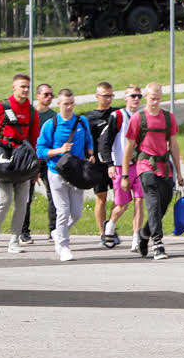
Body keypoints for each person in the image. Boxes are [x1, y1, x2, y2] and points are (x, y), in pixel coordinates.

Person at [122, 83, 184, 260]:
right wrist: (125, 175)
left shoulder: (168, 117)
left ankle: (144, 233)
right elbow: (129, 147)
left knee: (162, 206)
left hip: (164, 167)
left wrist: (179, 173)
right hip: (145, 165)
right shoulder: (138, 118)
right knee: (153, 203)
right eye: (151, 98)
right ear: (146, 97)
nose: (155, 102)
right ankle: (158, 243)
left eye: (158, 99)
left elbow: (173, 145)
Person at [0, 73, 39, 254]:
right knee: (4, 201)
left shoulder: (31, 111)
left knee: (22, 202)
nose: (25, 90)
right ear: (14, 87)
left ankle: (14, 240)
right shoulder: (1, 106)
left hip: (23, 160)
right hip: (3, 158)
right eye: (22, 86)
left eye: (28, 87)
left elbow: (34, 140)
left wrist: (35, 167)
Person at [36, 89, 92, 261]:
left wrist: (91, 153)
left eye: (71, 103)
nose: (69, 107)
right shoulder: (51, 124)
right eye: (65, 104)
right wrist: (59, 150)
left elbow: (89, 139)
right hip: (56, 172)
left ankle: (58, 233)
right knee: (62, 211)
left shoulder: (81, 122)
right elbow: (40, 151)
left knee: (76, 213)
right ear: (59, 104)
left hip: (77, 173)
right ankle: (64, 246)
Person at [102, 86, 146, 249]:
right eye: (133, 96)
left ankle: (136, 238)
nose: (136, 99)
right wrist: (110, 164)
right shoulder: (118, 116)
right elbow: (106, 141)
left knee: (139, 201)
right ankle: (110, 226)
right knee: (122, 205)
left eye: (139, 96)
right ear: (125, 98)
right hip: (121, 166)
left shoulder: (142, 116)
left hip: (139, 165)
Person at [80, 82, 122, 249]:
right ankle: (102, 233)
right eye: (105, 95)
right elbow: (86, 141)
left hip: (115, 161)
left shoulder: (116, 113)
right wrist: (88, 156)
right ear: (97, 96)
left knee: (120, 196)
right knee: (101, 197)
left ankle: (110, 225)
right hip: (98, 163)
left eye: (111, 95)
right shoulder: (91, 118)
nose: (108, 99)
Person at [17, 83, 59, 245]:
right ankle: (24, 231)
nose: (49, 97)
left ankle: (53, 229)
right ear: (38, 96)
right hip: (30, 160)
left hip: (48, 160)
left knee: (53, 195)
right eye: (46, 94)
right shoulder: (30, 114)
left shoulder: (54, 116)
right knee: (26, 196)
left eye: (51, 95)